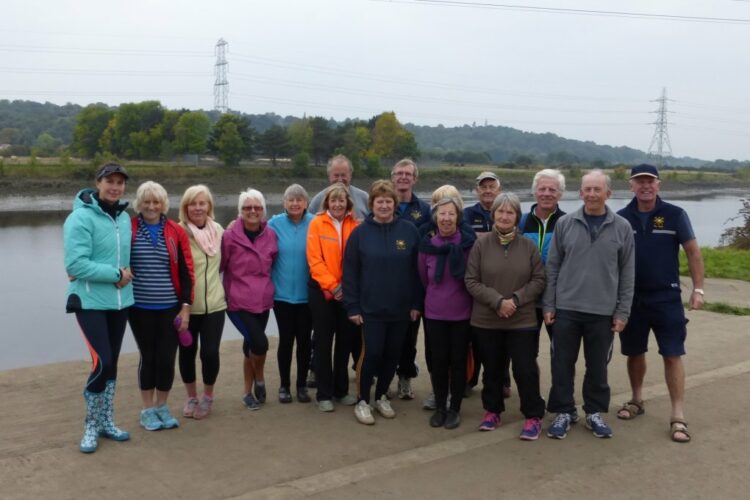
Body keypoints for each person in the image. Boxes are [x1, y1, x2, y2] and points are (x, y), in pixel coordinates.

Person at [543, 170, 635, 440]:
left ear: (609, 193)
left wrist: (622, 311)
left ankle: (594, 412)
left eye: (598, 189)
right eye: (587, 189)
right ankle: (564, 411)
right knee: (561, 363)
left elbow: (628, 273)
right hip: (566, 309)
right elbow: (553, 267)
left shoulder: (622, 227)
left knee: (598, 366)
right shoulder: (565, 224)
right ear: (580, 193)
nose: (592, 194)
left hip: (603, 312)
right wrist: (549, 304)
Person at [616, 164, 704, 443]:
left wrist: (698, 289)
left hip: (666, 297)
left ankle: (678, 415)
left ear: (658, 185)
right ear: (631, 185)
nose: (645, 186)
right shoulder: (620, 218)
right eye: (639, 182)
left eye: (650, 182)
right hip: (632, 298)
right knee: (635, 352)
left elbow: (693, 252)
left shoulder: (676, 215)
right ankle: (637, 400)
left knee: (672, 353)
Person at [64, 162, 134, 453]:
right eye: (110, 181)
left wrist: (125, 273)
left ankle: (106, 421)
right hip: (90, 301)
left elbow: (127, 258)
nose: (115, 187)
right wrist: (116, 275)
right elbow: (75, 264)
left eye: (120, 182)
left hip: (119, 303)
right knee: (102, 362)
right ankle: (90, 425)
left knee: (112, 364)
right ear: (98, 183)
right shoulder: (79, 218)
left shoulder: (125, 218)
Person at [465, 193, 546, 439]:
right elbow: (471, 280)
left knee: (525, 369)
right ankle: (492, 410)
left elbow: (539, 279)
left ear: (517, 217)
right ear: (493, 215)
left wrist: (516, 300)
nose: (504, 216)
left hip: (521, 318)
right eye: (500, 211)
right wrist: (497, 301)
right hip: (487, 319)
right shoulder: (481, 244)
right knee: (493, 369)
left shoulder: (528, 246)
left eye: (510, 212)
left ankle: (533, 415)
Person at [343, 180, 422, 425]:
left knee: (392, 355)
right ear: (372, 205)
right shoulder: (360, 233)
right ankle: (363, 401)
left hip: (400, 308)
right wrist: (352, 306)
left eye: (389, 201)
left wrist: (416, 303)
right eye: (380, 201)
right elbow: (350, 272)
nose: (385, 205)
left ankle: (381, 396)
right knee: (372, 354)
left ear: (394, 204)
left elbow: (417, 271)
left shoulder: (409, 231)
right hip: (370, 309)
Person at [129, 181, 195, 431]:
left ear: (164, 204)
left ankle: (162, 406)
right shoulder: (130, 227)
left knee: (167, 358)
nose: (151, 206)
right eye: (146, 201)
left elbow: (188, 272)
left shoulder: (175, 231)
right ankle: (147, 409)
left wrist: (186, 306)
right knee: (149, 357)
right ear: (139, 203)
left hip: (170, 307)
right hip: (139, 307)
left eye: (156, 201)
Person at [418, 196, 476, 429]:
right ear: (435, 218)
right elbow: (423, 279)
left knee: (459, 362)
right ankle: (440, 406)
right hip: (434, 314)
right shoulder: (427, 246)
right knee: (439, 362)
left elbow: (473, 278)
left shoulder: (469, 245)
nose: (446, 218)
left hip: (462, 313)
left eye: (451, 214)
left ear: (458, 217)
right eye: (442, 214)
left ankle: (455, 409)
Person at [221, 189, 278, 411]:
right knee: (261, 343)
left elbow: (274, 261)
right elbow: (220, 266)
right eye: (247, 207)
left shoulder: (271, 234)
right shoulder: (229, 236)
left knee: (250, 346)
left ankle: (247, 393)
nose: (252, 211)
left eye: (256, 207)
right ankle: (260, 379)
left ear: (263, 210)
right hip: (237, 302)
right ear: (240, 211)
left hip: (262, 300)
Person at [306, 183, 360, 412]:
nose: (337, 204)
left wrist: (346, 287)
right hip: (321, 291)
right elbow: (314, 260)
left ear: (348, 203)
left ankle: (341, 390)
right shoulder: (317, 223)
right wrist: (333, 286)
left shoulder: (355, 225)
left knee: (345, 342)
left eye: (341, 200)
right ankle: (324, 394)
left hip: (347, 291)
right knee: (323, 342)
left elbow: (358, 259)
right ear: (327, 202)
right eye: (333, 200)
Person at [177, 185, 226, 420]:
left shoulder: (218, 230)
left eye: (202, 203)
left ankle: (207, 397)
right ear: (185, 208)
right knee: (187, 352)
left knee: (209, 353)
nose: (198, 208)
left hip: (215, 305)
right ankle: (191, 397)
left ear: (209, 206)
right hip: (185, 308)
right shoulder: (178, 233)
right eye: (193, 204)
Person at [463, 172, 511, 398]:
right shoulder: (467, 214)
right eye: (484, 187)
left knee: (502, 335)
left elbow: (511, 237)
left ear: (499, 190)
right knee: (476, 337)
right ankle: (471, 378)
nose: (488, 190)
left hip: (502, 281)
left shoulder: (506, 211)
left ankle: (503, 379)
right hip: (475, 281)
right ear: (477, 191)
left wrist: (481, 236)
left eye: (492, 186)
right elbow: (465, 238)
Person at [268, 184, 314, 404]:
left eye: (299, 199)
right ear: (284, 203)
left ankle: (302, 385)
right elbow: (252, 232)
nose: (295, 203)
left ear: (306, 202)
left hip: (308, 295)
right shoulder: (274, 223)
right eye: (290, 200)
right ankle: (284, 385)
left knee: (305, 341)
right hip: (282, 295)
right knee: (286, 340)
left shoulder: (315, 223)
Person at [391, 158, 431, 400]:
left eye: (408, 174)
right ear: (392, 177)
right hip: (386, 281)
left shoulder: (424, 210)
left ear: (415, 179)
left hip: (414, 281)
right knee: (385, 336)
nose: (403, 177)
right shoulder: (383, 204)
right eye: (399, 173)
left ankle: (405, 377)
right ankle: (383, 377)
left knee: (409, 336)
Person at [519, 169, 566, 335]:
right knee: (525, 355)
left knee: (561, 356)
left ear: (560, 194)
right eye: (542, 189)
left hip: (558, 302)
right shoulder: (520, 222)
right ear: (534, 192)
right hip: (526, 301)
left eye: (552, 190)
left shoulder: (569, 223)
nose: (546, 194)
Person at [308, 154, 370, 220]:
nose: (340, 179)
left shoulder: (364, 198)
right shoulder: (317, 200)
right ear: (329, 176)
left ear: (350, 175)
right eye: (336, 175)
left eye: (343, 175)